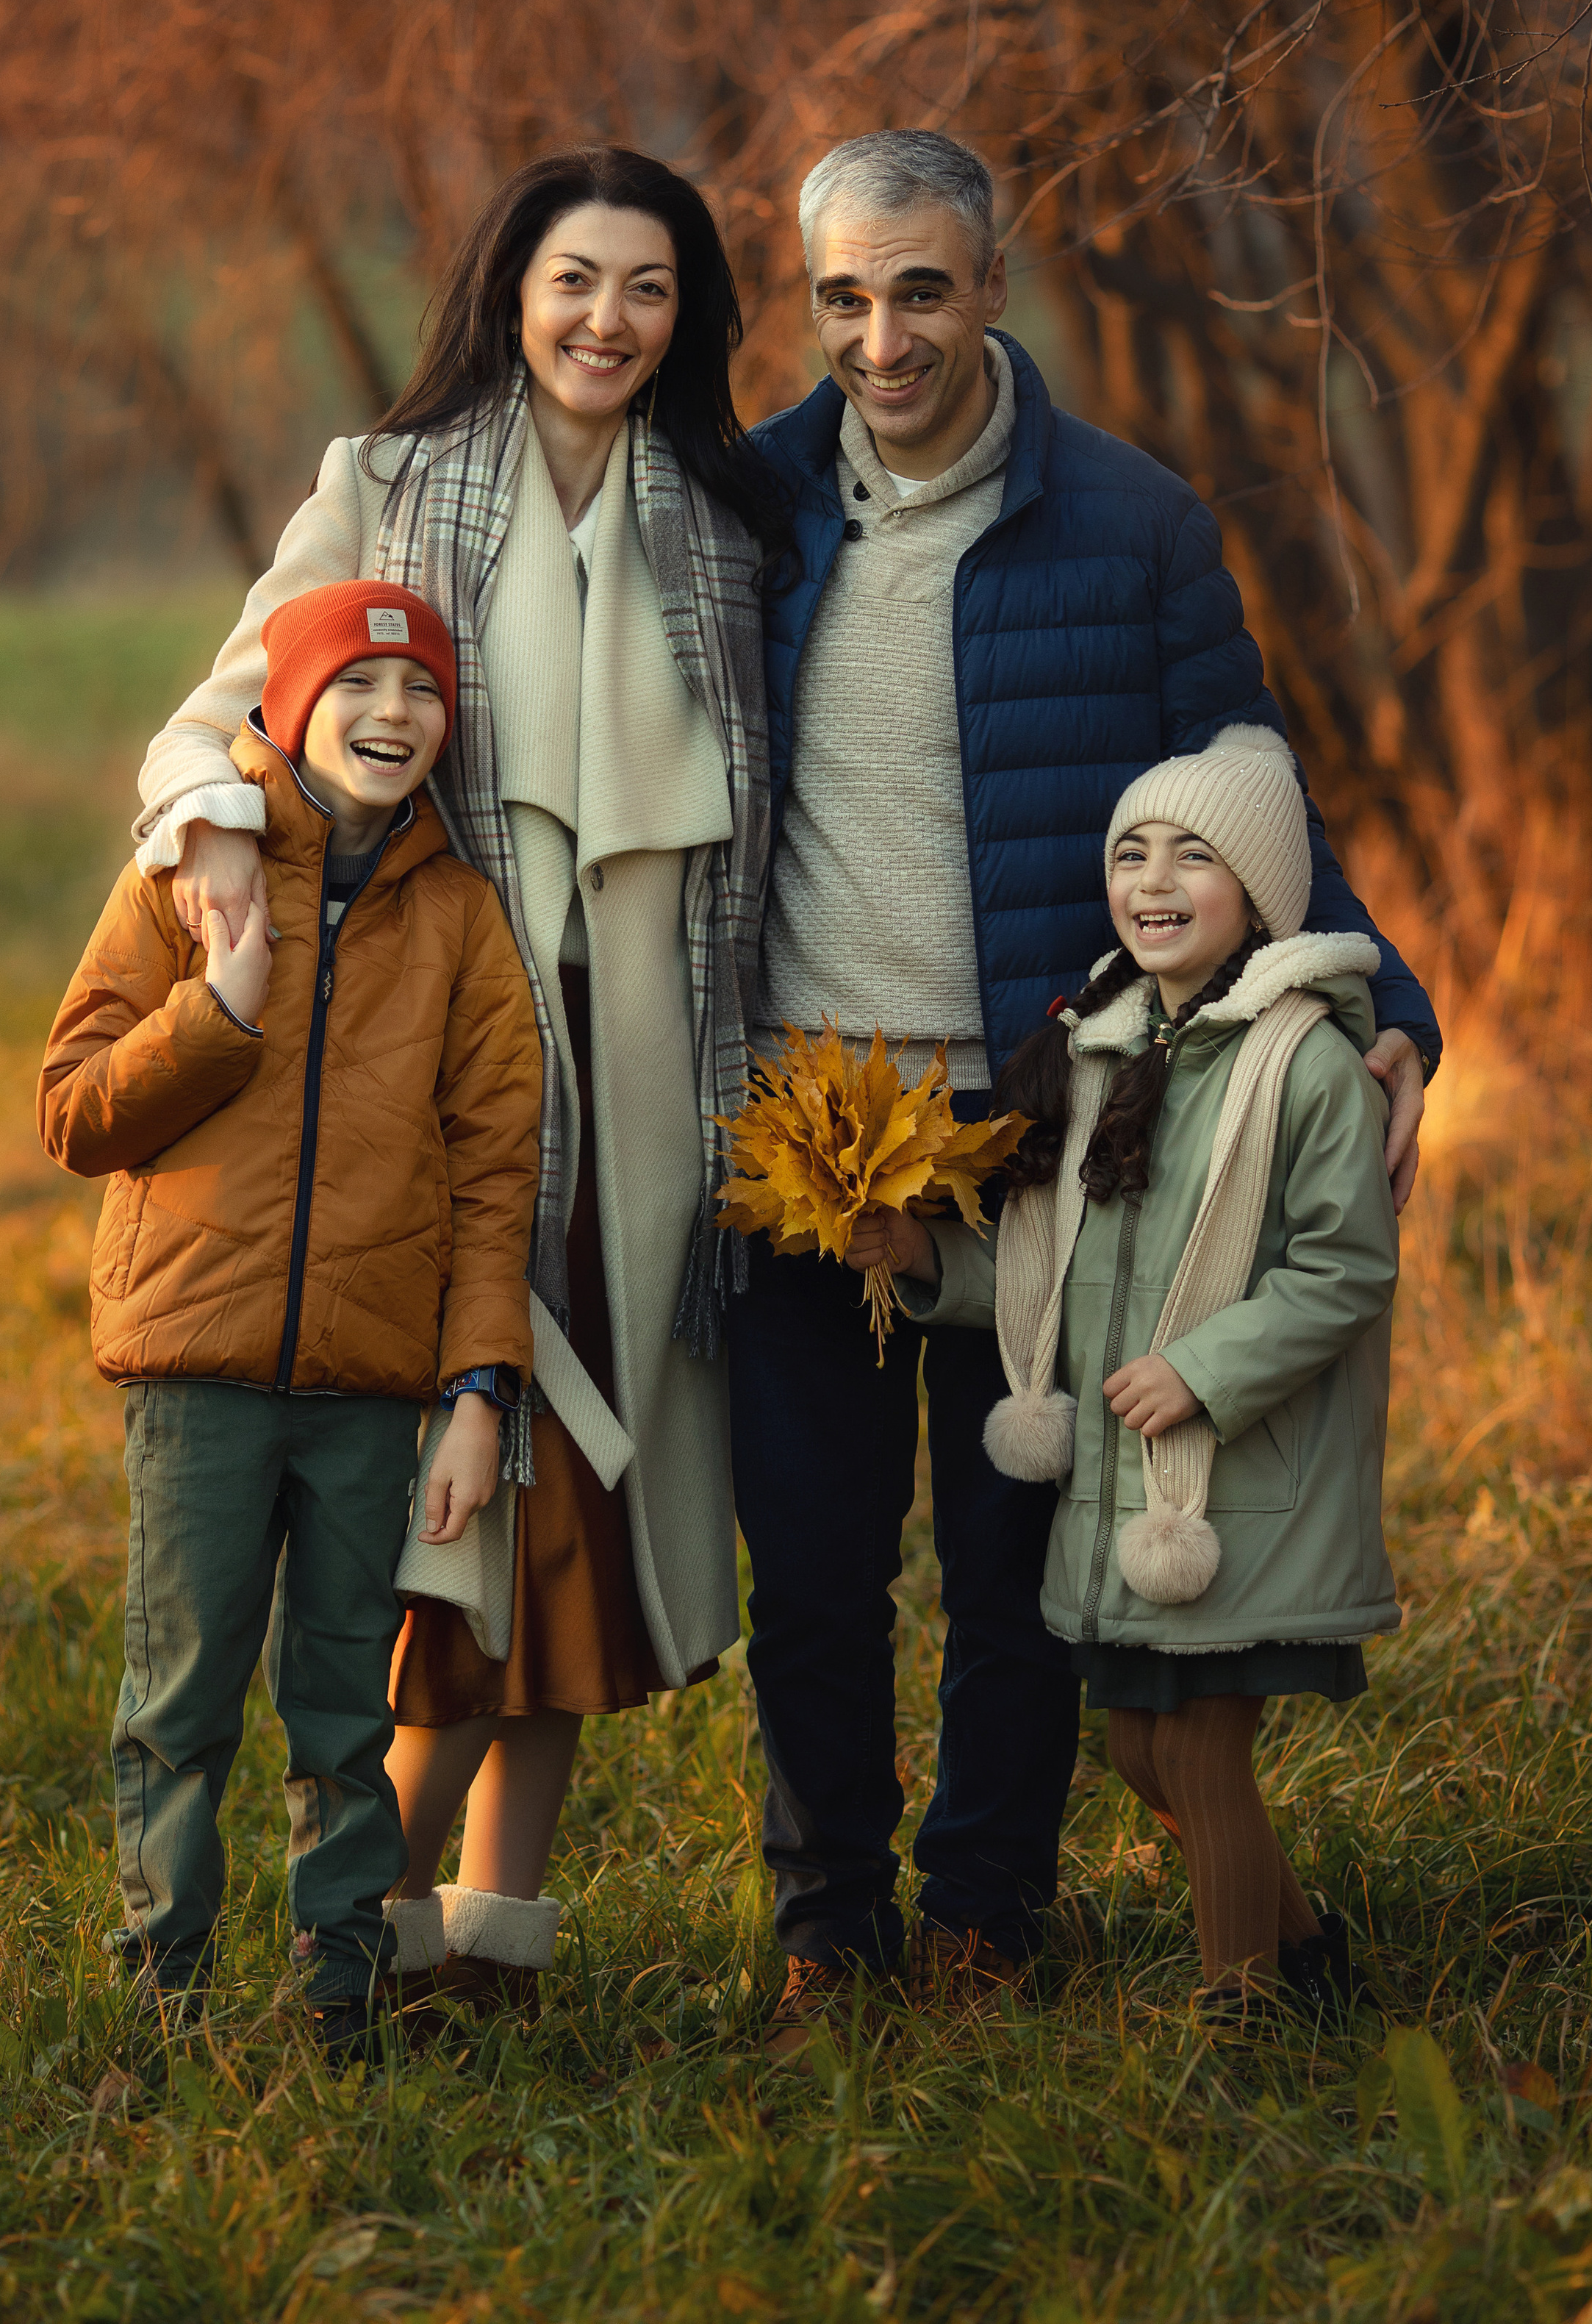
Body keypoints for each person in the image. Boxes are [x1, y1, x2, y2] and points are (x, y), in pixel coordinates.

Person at [732, 127, 1436, 2052]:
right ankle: (827, 1927)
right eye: (845, 298)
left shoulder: (1126, 525)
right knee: (808, 1566)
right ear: (810, 305)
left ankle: (984, 1912)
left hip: (1041, 1135)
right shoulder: (743, 508)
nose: (884, 339)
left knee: (1018, 1548)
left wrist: (1392, 1004)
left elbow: (1248, 784)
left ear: (996, 285)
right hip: (797, 1146)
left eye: (924, 289)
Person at [127, 149, 779, 2010]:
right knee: (446, 1522)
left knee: (578, 1521)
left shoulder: (726, 521)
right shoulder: (391, 486)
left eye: (647, 288)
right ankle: (354, 1931)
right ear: (510, 289)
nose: (605, 320)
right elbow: (218, 710)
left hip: (655, 1090)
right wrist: (220, 834)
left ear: (685, 318)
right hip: (437, 1075)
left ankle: (478, 1944)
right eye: (574, 278)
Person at [38, 581, 543, 2059]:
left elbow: (496, 1164)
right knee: (180, 1703)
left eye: (423, 692)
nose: (393, 717)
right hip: (198, 1370)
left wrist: (475, 1389)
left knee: (339, 1712)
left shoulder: (459, 917)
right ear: (289, 703)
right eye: (359, 686)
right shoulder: (191, 877)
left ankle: (335, 2000)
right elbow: (72, 1107)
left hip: (376, 1385)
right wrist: (220, 1013)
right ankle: (163, 2000)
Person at [854, 726, 1399, 2025]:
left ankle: (1243, 2012)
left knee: (1202, 1747)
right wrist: (933, 1260)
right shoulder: (1103, 1055)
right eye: (1130, 854)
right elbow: (1060, 1272)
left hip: (1236, 1472)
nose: (1152, 881)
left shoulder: (1303, 1062)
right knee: (1141, 1742)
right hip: (1131, 1478)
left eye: (1193, 857)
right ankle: (1311, 1964)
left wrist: (1203, 1372)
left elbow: (1344, 1270)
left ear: (1260, 892)